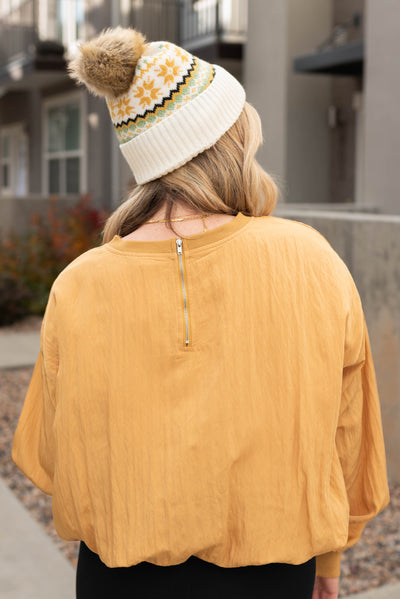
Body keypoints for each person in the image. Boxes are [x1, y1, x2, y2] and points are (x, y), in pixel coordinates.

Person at [12, 26, 390, 599]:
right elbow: (347, 437)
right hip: (273, 579)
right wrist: (330, 560)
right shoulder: (310, 260)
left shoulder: (79, 285)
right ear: (227, 141)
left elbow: (49, 455)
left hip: (117, 582)